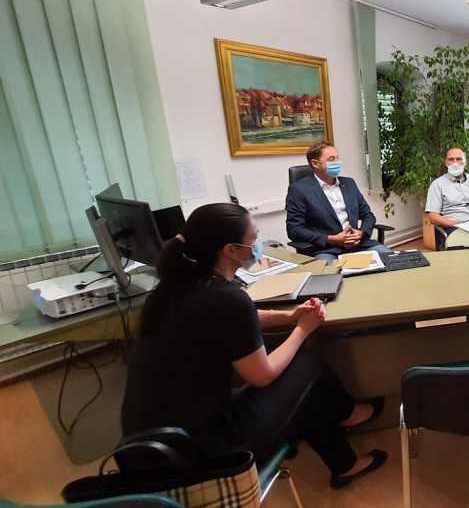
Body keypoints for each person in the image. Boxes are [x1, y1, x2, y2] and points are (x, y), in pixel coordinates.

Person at [121, 203, 387, 490]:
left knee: (303, 387)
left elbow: (238, 318)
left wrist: (288, 317)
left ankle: (344, 462)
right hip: (205, 450)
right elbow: (262, 375)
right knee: (306, 362)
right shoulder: (225, 298)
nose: (258, 243)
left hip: (150, 448)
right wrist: (302, 330)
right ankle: (346, 415)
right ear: (230, 250)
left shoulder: (174, 288)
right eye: (254, 237)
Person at [286, 142, 392, 264]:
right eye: (331, 159)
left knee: (392, 259)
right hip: (326, 249)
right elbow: (294, 229)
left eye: (337, 158)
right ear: (315, 163)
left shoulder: (349, 184)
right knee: (331, 271)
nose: (337, 162)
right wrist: (330, 239)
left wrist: (361, 233)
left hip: (359, 245)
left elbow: (368, 215)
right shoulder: (299, 190)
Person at [425, 148, 469, 249]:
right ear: (446, 163)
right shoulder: (437, 185)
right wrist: (459, 225)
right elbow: (433, 217)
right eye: (451, 159)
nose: (455, 163)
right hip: (454, 228)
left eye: (459, 159)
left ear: (465, 162)